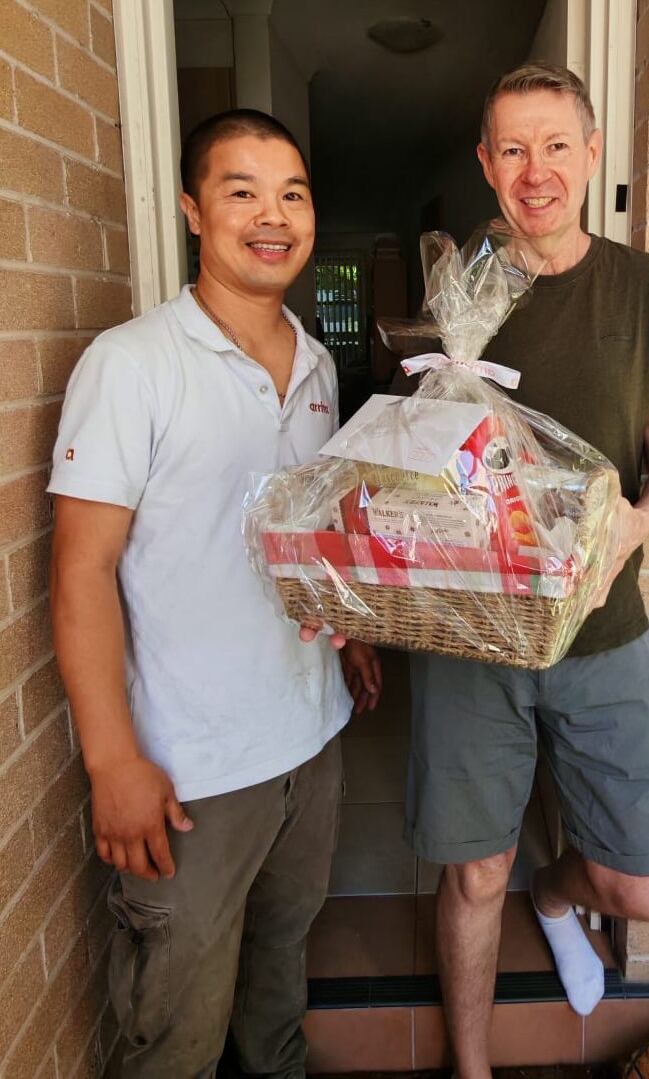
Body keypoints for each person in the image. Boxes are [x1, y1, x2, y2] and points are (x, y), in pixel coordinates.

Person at [49, 109, 381, 1078]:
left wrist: (352, 633)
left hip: (306, 747)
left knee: (277, 991)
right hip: (190, 772)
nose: (270, 216)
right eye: (241, 192)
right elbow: (79, 572)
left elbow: (306, 534)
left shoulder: (319, 364)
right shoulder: (131, 364)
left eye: (293, 193)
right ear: (194, 210)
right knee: (176, 1032)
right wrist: (113, 761)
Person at [396, 63, 649, 1079]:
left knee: (644, 886)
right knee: (475, 868)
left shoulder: (644, 286)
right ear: (486, 164)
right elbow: (409, 467)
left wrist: (634, 522)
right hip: (471, 632)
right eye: (514, 148)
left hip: (602, 625)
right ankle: (472, 1068)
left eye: (557, 145)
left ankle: (561, 892)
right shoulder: (452, 295)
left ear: (592, 150)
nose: (538, 171)